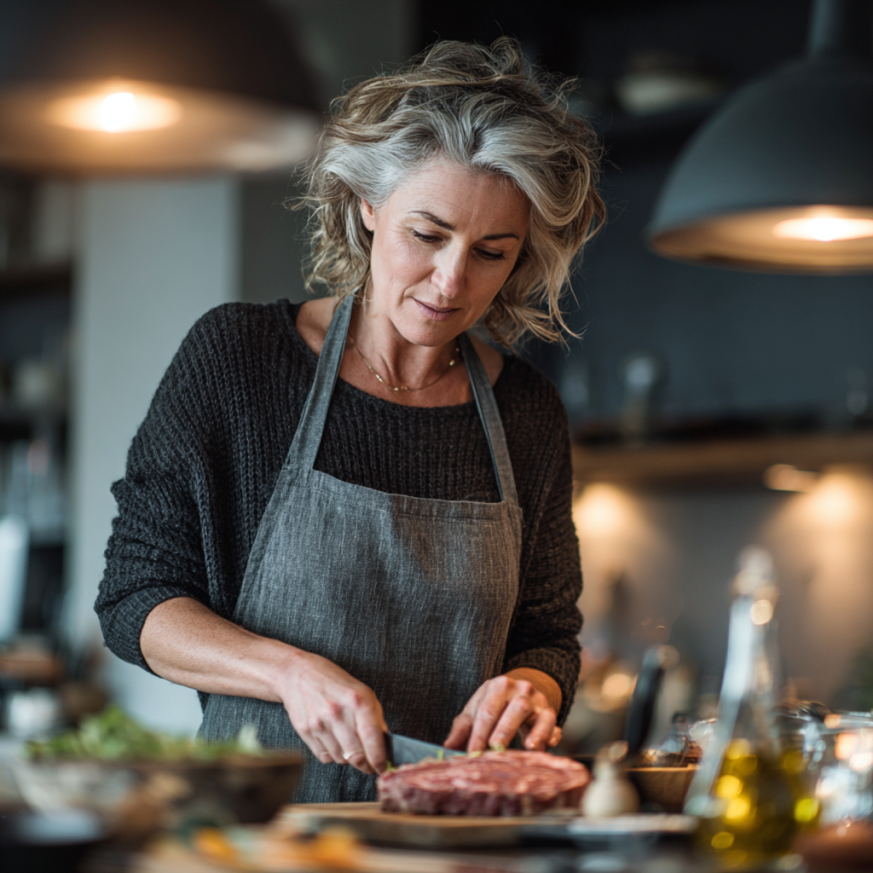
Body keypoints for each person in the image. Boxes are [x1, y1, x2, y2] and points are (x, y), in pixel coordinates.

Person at [95, 37, 604, 804]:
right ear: (368, 208)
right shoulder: (240, 359)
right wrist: (289, 673)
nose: (451, 280)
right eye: (426, 235)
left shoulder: (526, 410)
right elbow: (136, 597)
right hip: (263, 834)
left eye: (491, 252)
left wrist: (531, 685)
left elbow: (545, 634)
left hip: (454, 837)